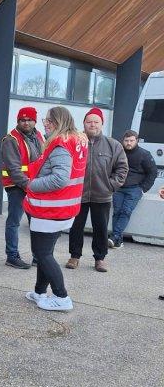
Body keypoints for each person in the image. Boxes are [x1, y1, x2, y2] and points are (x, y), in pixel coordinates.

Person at [24, 107, 87, 312]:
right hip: (61, 208)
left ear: (59, 121)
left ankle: (62, 297)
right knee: (45, 252)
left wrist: (31, 185)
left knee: (42, 254)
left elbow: (60, 178)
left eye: (49, 120)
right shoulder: (74, 140)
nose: (45, 123)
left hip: (50, 210)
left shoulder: (60, 145)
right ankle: (40, 292)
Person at [66, 107, 128, 272]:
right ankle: (74, 256)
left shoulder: (113, 145)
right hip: (78, 194)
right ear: (84, 123)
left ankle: (100, 258)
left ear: (102, 124)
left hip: (102, 195)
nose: (92, 125)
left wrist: (111, 185)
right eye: (89, 122)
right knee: (76, 226)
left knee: (100, 228)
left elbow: (122, 168)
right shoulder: (75, 142)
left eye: (96, 122)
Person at [1, 106, 44, 268]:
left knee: (36, 222)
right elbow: (14, 169)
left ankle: (38, 256)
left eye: (29, 120)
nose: (26, 123)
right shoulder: (11, 139)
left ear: (34, 121)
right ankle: (12, 256)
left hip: (33, 186)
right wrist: (29, 185)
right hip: (16, 187)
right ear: (18, 121)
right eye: (22, 120)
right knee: (14, 221)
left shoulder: (38, 136)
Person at [109, 130, 157, 249]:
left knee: (126, 211)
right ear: (123, 141)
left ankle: (114, 237)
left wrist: (143, 189)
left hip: (135, 189)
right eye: (126, 141)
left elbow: (152, 172)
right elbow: (111, 168)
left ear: (137, 140)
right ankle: (117, 240)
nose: (129, 143)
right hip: (119, 188)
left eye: (131, 140)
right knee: (117, 212)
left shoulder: (144, 154)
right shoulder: (118, 152)